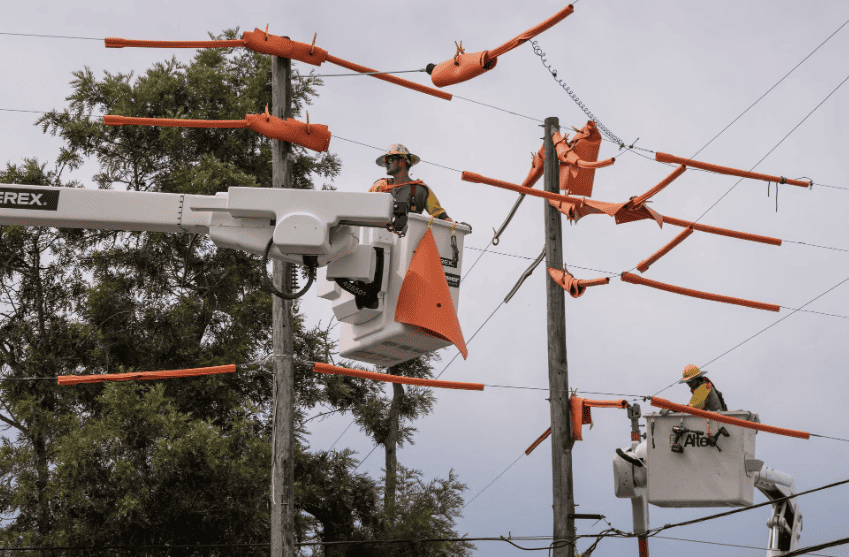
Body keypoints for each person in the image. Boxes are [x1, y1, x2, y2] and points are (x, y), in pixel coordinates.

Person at [370, 144, 452, 221]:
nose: (386, 164)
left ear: (402, 161)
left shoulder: (420, 189)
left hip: (409, 234)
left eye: (390, 160)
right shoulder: (380, 186)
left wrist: (453, 224)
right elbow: (365, 207)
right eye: (385, 161)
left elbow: (438, 213)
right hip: (380, 234)